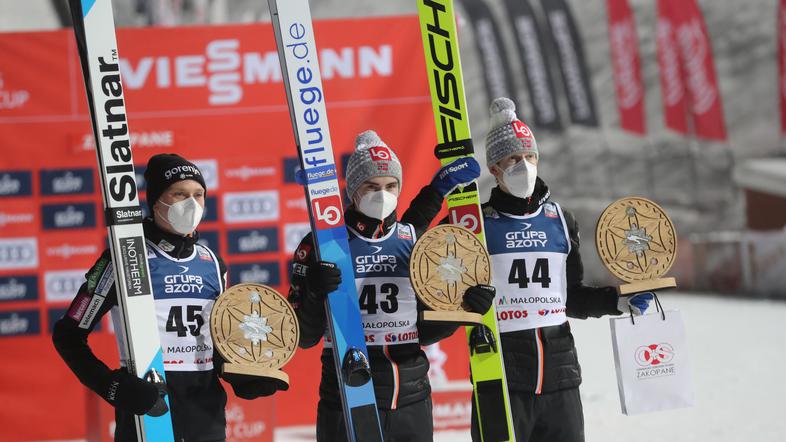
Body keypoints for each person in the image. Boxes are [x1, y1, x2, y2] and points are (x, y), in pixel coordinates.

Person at [52, 153, 284, 442]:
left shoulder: (212, 262)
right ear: (157, 200)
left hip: (206, 412)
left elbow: (217, 343)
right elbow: (67, 335)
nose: (191, 204)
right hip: (148, 404)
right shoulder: (125, 259)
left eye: (198, 194)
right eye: (179, 194)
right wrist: (113, 386)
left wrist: (245, 373)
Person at [288, 130, 496, 441]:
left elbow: (423, 331)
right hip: (346, 398)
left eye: (390, 186)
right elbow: (304, 337)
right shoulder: (322, 245)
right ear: (353, 191)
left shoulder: (413, 243)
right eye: (371, 187)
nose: (381, 194)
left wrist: (464, 311)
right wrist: (315, 292)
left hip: (411, 398)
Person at [471, 98, 653, 442]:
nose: (523, 165)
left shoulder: (560, 220)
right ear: (495, 168)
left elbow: (572, 297)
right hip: (502, 377)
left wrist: (617, 301)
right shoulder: (477, 223)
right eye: (512, 159)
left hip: (560, 375)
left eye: (529, 156)